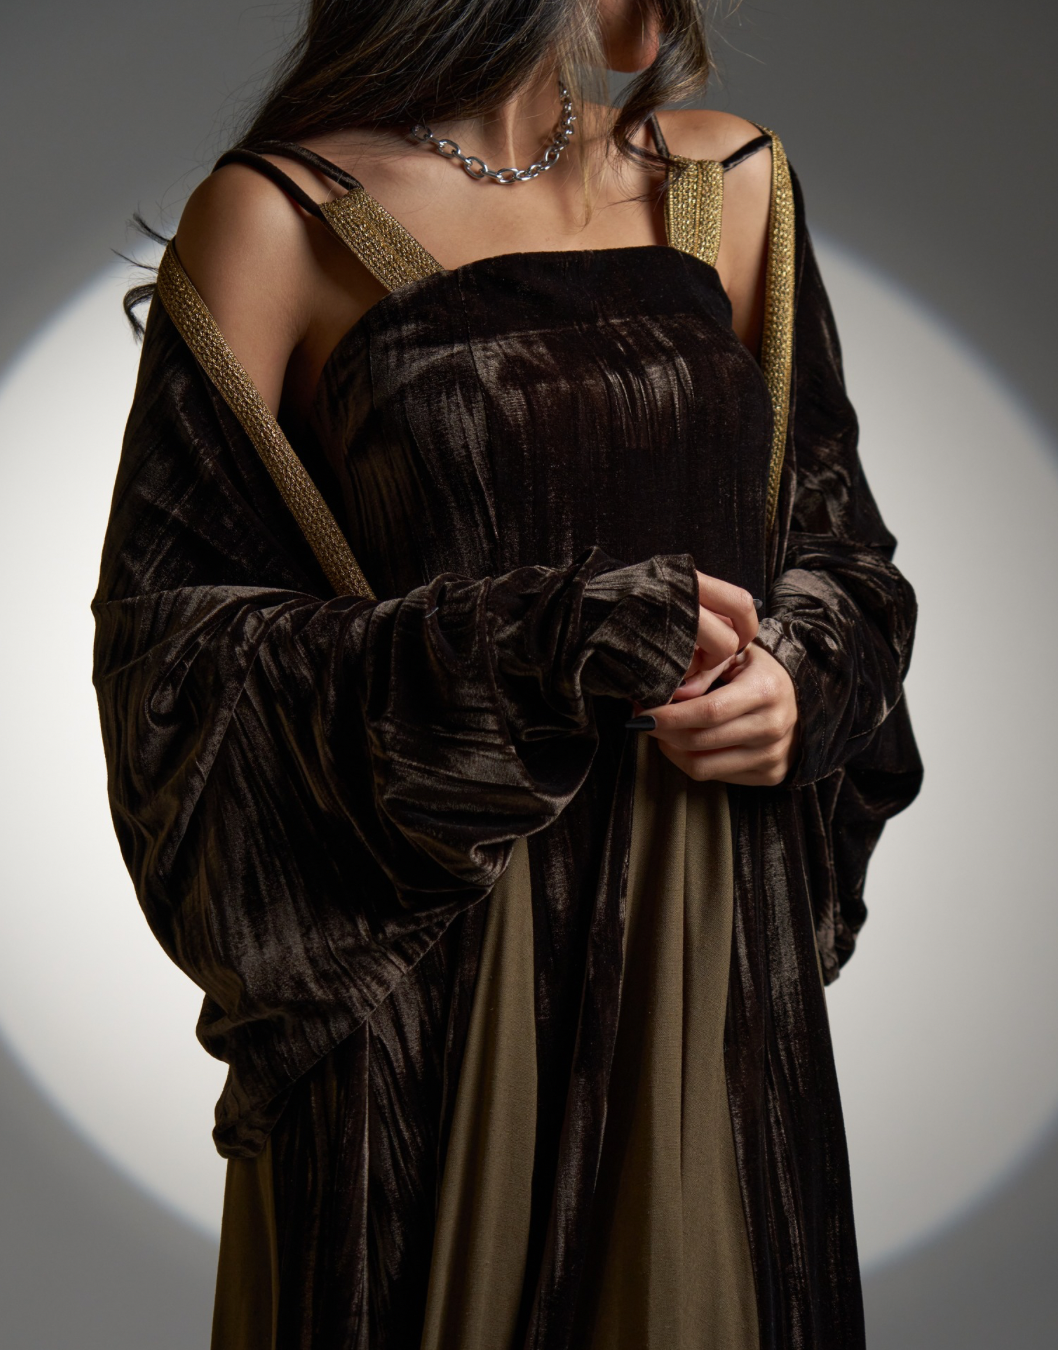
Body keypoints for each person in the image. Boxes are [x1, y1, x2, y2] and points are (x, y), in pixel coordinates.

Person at [94, 0, 922, 1345]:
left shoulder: (728, 182)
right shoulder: (279, 217)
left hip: (707, 951)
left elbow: (843, 558)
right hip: (440, 988)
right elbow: (173, 671)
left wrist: (799, 677)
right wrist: (538, 646)